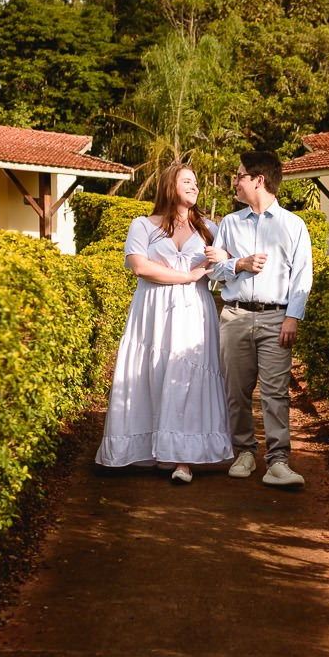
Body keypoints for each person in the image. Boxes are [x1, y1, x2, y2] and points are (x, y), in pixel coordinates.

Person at [94, 161, 233, 482]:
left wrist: (224, 259)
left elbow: (226, 265)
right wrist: (187, 275)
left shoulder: (209, 228)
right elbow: (139, 266)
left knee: (188, 378)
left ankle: (182, 458)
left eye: (196, 182)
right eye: (187, 181)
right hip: (153, 311)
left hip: (194, 313)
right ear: (170, 185)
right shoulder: (143, 225)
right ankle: (153, 448)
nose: (194, 187)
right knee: (152, 374)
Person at [204, 148, 314, 488]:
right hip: (235, 315)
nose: (235, 182)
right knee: (235, 390)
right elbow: (213, 271)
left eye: (240, 176)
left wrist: (293, 317)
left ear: (259, 180)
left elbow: (302, 276)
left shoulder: (294, 225)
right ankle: (245, 453)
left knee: (276, 392)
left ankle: (278, 461)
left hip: (276, 318)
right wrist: (239, 263)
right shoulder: (230, 223)